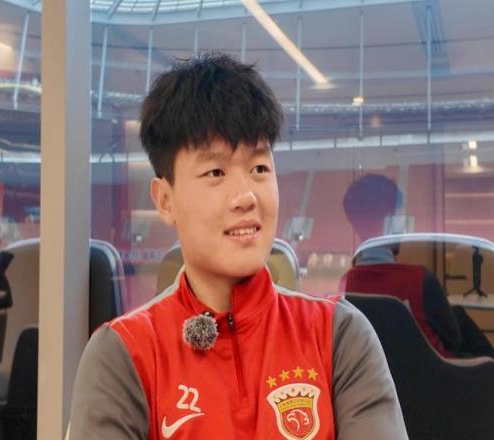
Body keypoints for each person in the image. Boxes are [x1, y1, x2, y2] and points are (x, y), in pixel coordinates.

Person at [68, 54, 407, 439]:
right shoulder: (122, 353)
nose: (246, 196)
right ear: (165, 200)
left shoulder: (338, 335)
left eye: (259, 168)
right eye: (215, 172)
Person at [341, 173, 494, 359]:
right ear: (390, 219)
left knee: (457, 314)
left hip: (386, 372)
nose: (405, 225)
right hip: (439, 373)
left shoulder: (346, 284)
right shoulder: (419, 280)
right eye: (401, 215)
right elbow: (454, 341)